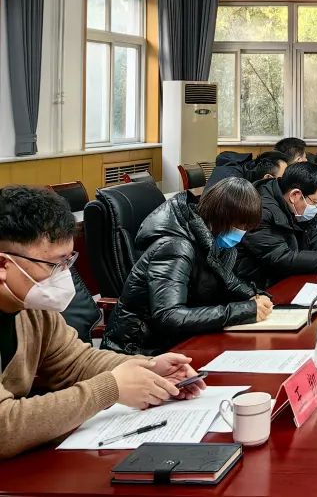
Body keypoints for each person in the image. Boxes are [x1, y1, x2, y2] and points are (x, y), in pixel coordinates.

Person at [1, 186, 205, 459]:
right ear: (3, 265)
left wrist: (148, 368)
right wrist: (111, 388)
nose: (64, 275)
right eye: (54, 265)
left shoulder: (32, 308)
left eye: (68, 262)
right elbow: (4, 426)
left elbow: (75, 362)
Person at [103, 178, 273, 356]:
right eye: (239, 226)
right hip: (138, 350)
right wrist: (240, 311)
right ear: (221, 217)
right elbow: (169, 316)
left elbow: (226, 279)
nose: (241, 233)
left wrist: (253, 295)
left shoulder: (209, 239)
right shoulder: (175, 246)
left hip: (176, 341)